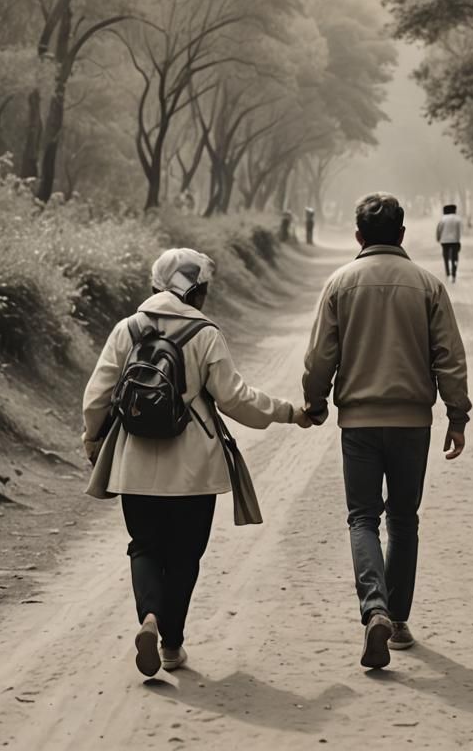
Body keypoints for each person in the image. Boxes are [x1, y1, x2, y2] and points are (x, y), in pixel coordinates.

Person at [81, 248, 310, 678]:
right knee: (185, 554)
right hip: (194, 468)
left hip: (134, 461)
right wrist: (289, 412)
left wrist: (92, 439)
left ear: (154, 286)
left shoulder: (126, 329)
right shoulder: (205, 333)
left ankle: (148, 618)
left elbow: (96, 396)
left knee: (144, 545)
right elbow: (235, 399)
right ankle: (171, 645)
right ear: (197, 290)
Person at [302, 193, 472, 669]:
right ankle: (396, 622)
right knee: (403, 519)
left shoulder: (339, 284)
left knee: (362, 519)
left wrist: (315, 403)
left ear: (359, 237)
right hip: (412, 423)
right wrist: (457, 416)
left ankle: (373, 608)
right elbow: (450, 358)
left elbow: (320, 358)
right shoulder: (428, 285)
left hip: (358, 423)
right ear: (401, 235)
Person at [436, 203, 462, 282]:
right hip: (454, 241)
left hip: (445, 241)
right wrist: (458, 240)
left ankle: (447, 273)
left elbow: (439, 229)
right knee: (455, 258)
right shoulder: (458, 219)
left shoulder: (443, 218)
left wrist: (438, 238)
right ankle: (454, 274)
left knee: (446, 257)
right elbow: (458, 232)